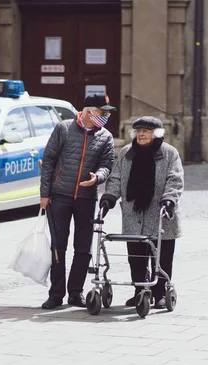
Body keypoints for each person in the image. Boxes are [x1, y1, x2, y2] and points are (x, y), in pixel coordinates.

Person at [39, 93, 116, 309]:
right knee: (58, 246)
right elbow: (49, 161)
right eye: (103, 112)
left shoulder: (105, 137)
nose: (107, 117)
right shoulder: (63, 129)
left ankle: (76, 292)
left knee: (83, 248)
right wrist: (45, 195)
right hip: (59, 196)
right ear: (90, 111)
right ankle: (56, 294)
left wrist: (98, 178)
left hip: (86, 198)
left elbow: (106, 164)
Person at [100, 116, 184, 309]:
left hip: (161, 212)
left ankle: (160, 292)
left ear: (156, 134)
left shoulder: (169, 153)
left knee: (161, 255)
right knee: (136, 256)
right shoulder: (127, 153)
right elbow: (116, 177)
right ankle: (140, 290)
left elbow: (175, 179)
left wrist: (169, 199)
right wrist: (109, 197)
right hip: (133, 213)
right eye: (138, 131)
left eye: (146, 131)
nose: (142, 135)